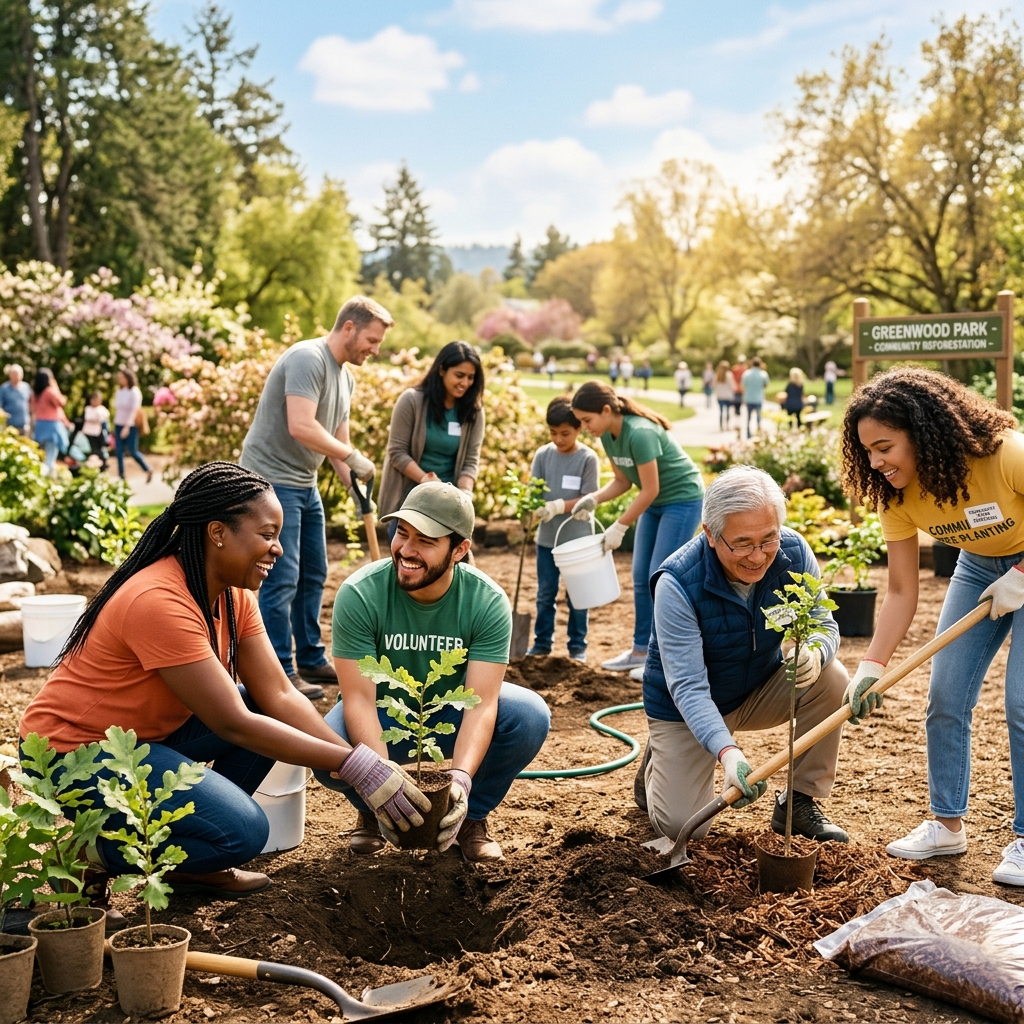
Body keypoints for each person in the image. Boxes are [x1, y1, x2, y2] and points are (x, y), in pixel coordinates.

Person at [19, 462, 431, 923]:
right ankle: (90, 853)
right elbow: (231, 723)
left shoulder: (234, 598)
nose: (278, 548)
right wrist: (350, 764)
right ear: (217, 532)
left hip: (143, 738)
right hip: (72, 751)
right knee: (243, 833)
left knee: (260, 708)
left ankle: (194, 862)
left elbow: (279, 695)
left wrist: (359, 764)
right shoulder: (157, 600)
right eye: (267, 534)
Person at [840, 367, 1024, 884]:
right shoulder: (897, 495)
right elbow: (901, 589)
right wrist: (870, 666)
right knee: (945, 694)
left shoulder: (1003, 454)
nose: (875, 462)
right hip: (978, 565)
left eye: (885, 447)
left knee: (1022, 701)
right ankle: (947, 824)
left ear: (921, 434)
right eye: (867, 451)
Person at [316, 482, 551, 861]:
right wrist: (379, 779)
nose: (406, 550)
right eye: (402, 533)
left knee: (528, 715)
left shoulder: (486, 602)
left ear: (459, 550)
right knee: (327, 746)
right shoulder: (360, 594)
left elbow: (481, 704)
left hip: (450, 713)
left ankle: (470, 817)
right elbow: (358, 698)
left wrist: (460, 778)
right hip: (380, 713)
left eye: (426, 540)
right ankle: (370, 810)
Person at [633, 466, 850, 843]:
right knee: (685, 827)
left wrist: (815, 650)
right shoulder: (677, 583)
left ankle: (798, 802)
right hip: (687, 708)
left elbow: (822, 621)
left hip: (756, 690)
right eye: (743, 543)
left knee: (832, 678)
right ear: (711, 536)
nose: (758, 556)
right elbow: (687, 686)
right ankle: (658, 763)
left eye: (768, 538)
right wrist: (728, 753)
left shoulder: (793, 553)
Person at [240, 296, 390, 701]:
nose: (374, 350)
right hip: (271, 482)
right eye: (372, 340)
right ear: (348, 328)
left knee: (314, 573)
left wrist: (354, 482)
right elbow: (301, 426)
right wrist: (350, 456)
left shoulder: (346, 377)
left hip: (304, 482)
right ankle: (280, 673)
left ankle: (308, 656)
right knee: (282, 577)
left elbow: (337, 442)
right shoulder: (308, 358)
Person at [569, 381, 705, 677]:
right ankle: (640, 650)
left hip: (682, 500)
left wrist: (619, 526)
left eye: (587, 420)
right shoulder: (607, 435)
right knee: (641, 577)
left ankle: (659, 660)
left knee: (661, 579)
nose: (584, 427)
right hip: (656, 503)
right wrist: (593, 499)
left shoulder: (640, 433)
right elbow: (623, 481)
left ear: (606, 410)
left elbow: (651, 488)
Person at [379, 341, 485, 540]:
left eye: (471, 378)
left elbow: (471, 461)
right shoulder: (411, 401)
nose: (465, 383)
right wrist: (428, 482)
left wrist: (464, 494)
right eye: (459, 375)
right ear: (442, 370)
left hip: (448, 507)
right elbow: (397, 452)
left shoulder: (474, 412)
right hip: (409, 501)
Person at [526, 396, 601, 661]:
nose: (558, 439)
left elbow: (590, 497)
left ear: (579, 428)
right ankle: (542, 643)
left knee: (578, 595)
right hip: (547, 539)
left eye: (565, 433)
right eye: (553, 433)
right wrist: (532, 506)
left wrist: (558, 505)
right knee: (545, 593)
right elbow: (533, 491)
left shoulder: (587, 459)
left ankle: (577, 646)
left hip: (577, 541)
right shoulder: (543, 455)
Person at [112, 368, 153, 483]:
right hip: (118, 424)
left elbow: (134, 410)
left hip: (130, 425)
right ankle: (121, 476)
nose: (119, 380)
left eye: (121, 378)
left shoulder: (134, 392)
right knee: (119, 452)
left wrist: (127, 427)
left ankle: (147, 469)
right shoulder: (119, 392)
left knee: (132, 451)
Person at [30, 368, 70, 474]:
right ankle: (44, 474)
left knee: (45, 452)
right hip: (51, 425)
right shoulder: (49, 391)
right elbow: (61, 402)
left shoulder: (35, 394)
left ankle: (50, 475)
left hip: (40, 424)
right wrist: (55, 386)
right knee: (51, 452)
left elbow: (33, 409)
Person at [741, 357, 770, 438]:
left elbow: (743, 385)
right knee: (758, 417)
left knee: (748, 417)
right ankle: (758, 432)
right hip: (758, 398)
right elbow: (766, 385)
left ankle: (748, 433)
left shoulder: (746, 373)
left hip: (749, 397)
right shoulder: (763, 374)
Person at [82, 390, 110, 470]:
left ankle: (102, 465)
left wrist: (97, 417)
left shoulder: (102, 409)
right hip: (88, 433)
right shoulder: (88, 408)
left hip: (97, 433)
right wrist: (97, 417)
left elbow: (104, 416)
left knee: (99, 450)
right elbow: (89, 418)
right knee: (91, 450)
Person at [0, 364, 31, 435]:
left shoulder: (26, 387)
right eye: (13, 373)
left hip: (24, 424)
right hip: (10, 425)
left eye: (18, 373)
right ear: (9, 375)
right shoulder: (4, 388)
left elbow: (31, 403)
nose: (16, 376)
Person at [714, 360, 735, 431]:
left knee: (721, 412)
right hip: (728, 396)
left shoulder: (717, 375)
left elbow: (714, 386)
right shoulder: (729, 375)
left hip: (720, 396)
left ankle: (721, 426)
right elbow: (732, 386)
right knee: (728, 411)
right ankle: (727, 425)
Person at [731, 355, 747, 421]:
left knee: (736, 398)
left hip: (736, 386)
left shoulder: (735, 368)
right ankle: (738, 410)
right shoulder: (744, 369)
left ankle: (736, 410)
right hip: (740, 386)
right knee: (739, 399)